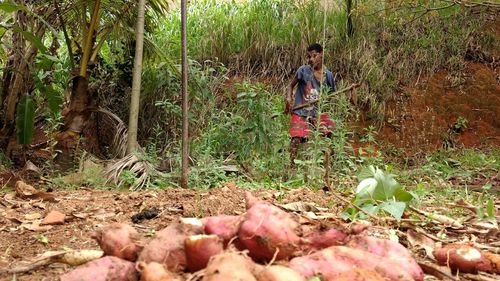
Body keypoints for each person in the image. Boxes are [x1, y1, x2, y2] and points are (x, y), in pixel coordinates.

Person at [284, 43, 337, 172]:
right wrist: (289, 98)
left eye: (314, 56)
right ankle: (290, 169)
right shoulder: (303, 70)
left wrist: (324, 104)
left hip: (318, 112)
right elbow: (291, 86)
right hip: (301, 111)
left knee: (328, 137)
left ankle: (329, 168)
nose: (311, 59)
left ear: (321, 55)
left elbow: (332, 95)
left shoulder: (328, 75)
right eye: (309, 57)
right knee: (296, 139)